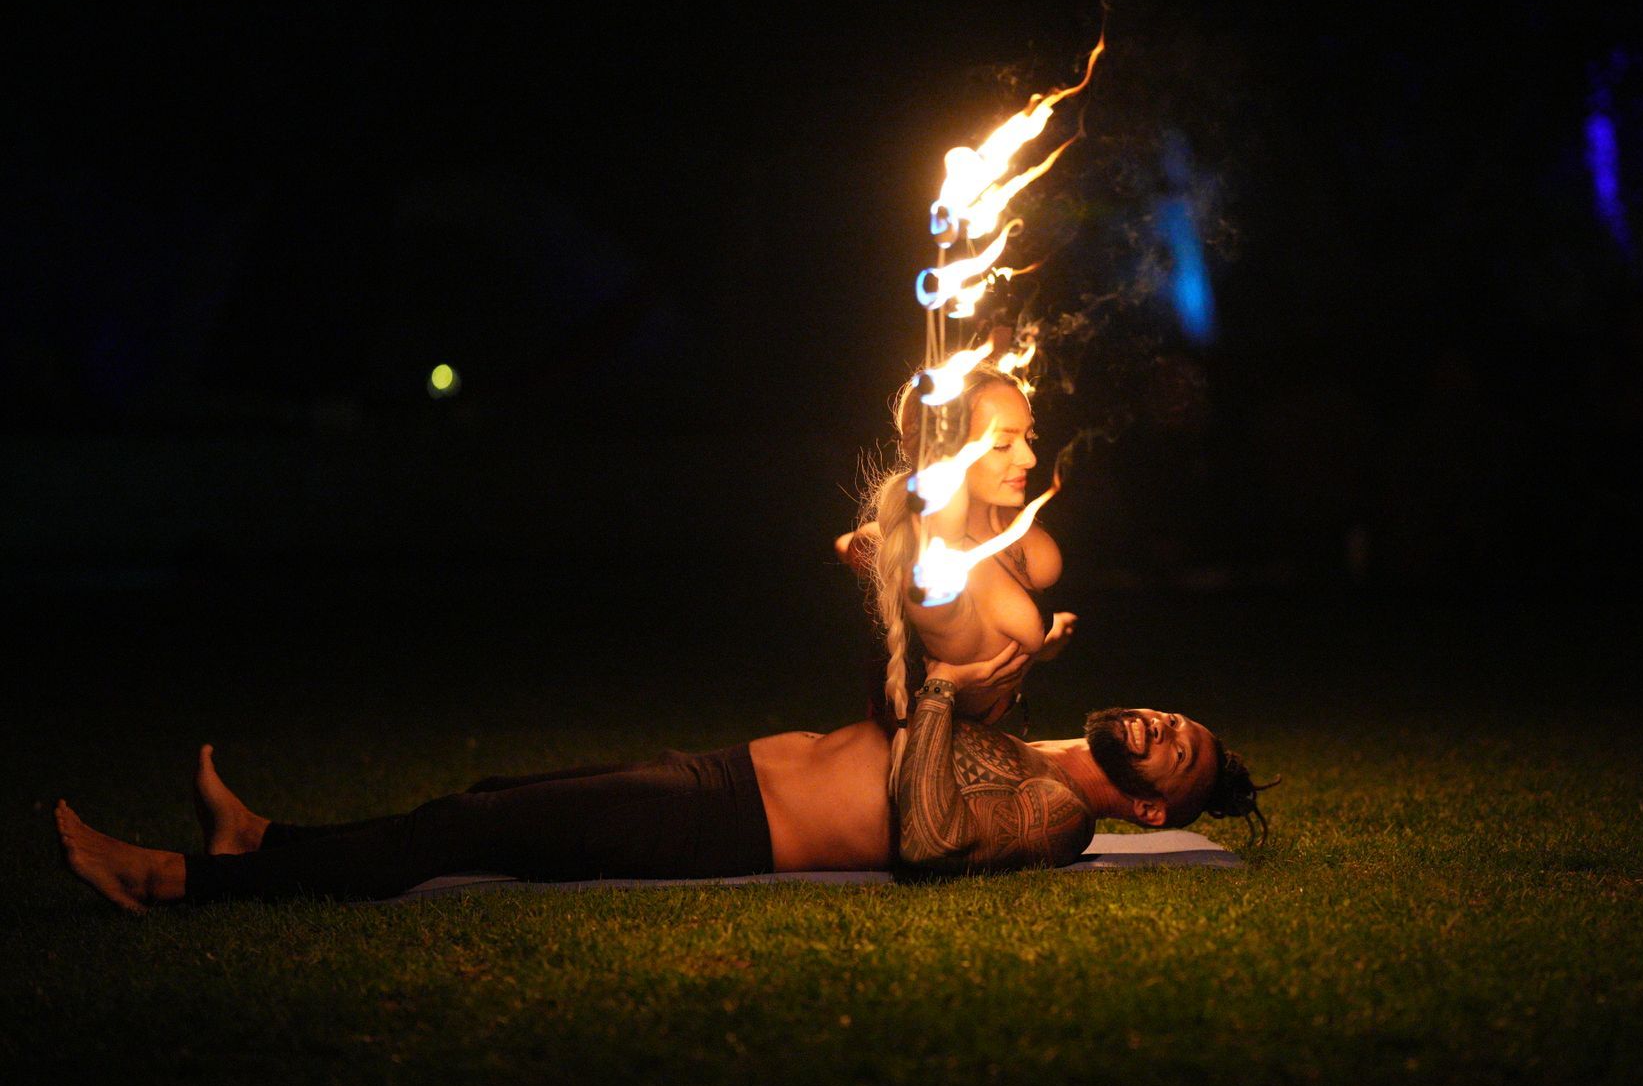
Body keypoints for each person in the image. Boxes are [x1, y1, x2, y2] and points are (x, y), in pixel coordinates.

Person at [54, 644, 1271, 911]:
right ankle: (265, 837)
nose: (1161, 721)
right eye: (1176, 711)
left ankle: (168, 878)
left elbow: (927, 827)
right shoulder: (1035, 734)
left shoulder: (1056, 819)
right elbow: (888, 725)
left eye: (1177, 745)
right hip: (719, 770)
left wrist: (949, 692)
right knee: (487, 800)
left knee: (462, 827)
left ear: (1153, 805)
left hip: (722, 822)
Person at [840, 366, 1076, 729]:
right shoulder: (938, 579)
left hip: (1009, 733)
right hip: (942, 765)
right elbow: (934, 542)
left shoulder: (1010, 523)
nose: (1029, 458)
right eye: (1001, 443)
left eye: (1029, 436)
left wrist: (1047, 637)